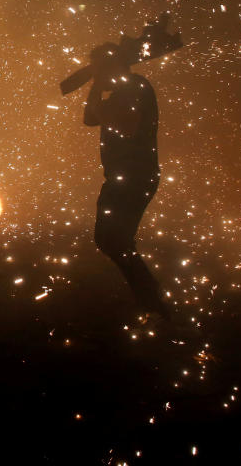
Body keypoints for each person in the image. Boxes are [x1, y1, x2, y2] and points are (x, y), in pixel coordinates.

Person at [83, 43, 169, 318]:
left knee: (112, 239)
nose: (96, 75)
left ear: (113, 66)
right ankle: (150, 298)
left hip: (135, 176)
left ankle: (153, 303)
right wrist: (97, 87)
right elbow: (88, 119)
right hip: (125, 176)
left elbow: (126, 127)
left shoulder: (134, 88)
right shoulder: (122, 90)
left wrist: (101, 100)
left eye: (99, 69)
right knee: (114, 240)